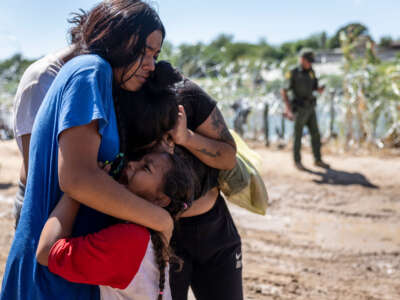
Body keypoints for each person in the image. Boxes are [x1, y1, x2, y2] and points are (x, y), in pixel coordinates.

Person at [1, 1, 173, 299]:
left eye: (155, 55)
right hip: (49, 276)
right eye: (145, 51)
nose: (151, 64)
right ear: (119, 38)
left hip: (66, 265)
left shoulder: (98, 76)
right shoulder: (90, 71)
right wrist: (160, 219)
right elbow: (77, 179)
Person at [122, 61, 243, 300]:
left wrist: (186, 137)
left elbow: (228, 157)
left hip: (212, 228)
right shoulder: (121, 105)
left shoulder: (188, 96)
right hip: (159, 234)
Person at [36, 151, 195, 300]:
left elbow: (46, 252)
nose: (132, 164)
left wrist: (79, 189)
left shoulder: (131, 241)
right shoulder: (154, 236)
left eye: (146, 168)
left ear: (161, 200)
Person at [281, 48, 330, 170]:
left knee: (315, 134)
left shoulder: (311, 72)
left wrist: (319, 89)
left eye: (311, 61)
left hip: (311, 108)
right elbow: (284, 91)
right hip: (299, 108)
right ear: (302, 59)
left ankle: (317, 160)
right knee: (298, 135)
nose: (310, 63)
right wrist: (288, 109)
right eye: (309, 61)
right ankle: (297, 161)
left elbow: (314, 87)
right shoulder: (293, 72)